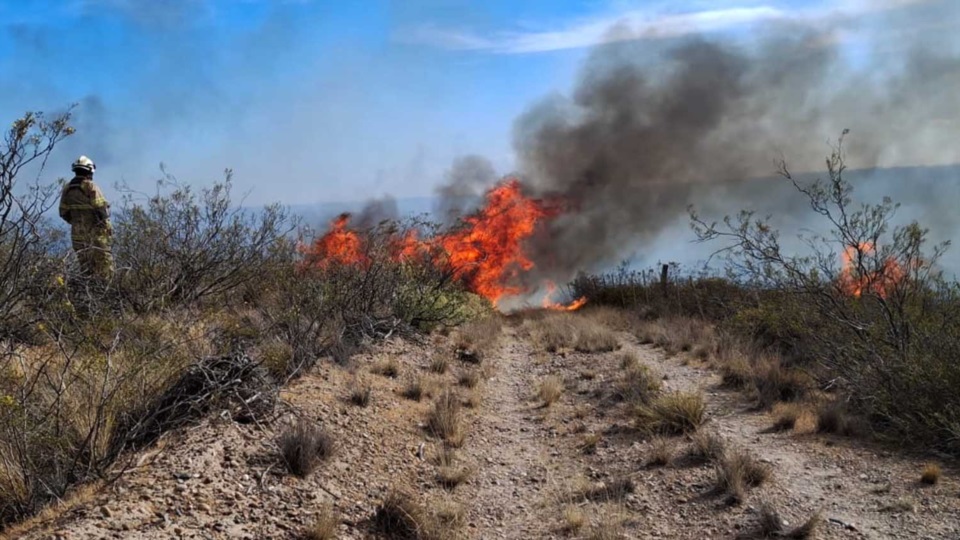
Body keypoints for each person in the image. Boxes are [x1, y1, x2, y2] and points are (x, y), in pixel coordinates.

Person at [58, 156, 114, 279]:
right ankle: (107, 292)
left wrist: (77, 223)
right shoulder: (91, 187)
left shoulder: (67, 188)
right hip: (96, 234)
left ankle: (87, 291)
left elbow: (63, 212)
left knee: (85, 266)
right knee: (104, 265)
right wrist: (106, 227)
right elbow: (100, 209)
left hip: (77, 235)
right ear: (90, 170)